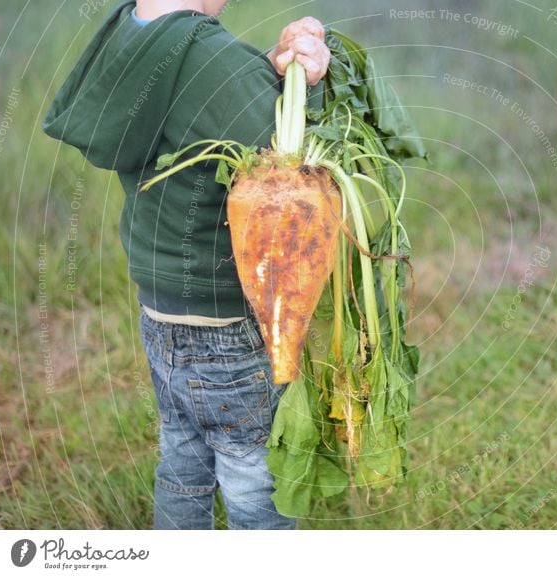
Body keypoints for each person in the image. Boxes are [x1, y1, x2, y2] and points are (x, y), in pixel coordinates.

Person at [42, 0, 331, 530]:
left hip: (163, 315)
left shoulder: (131, 36)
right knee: (253, 478)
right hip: (226, 320)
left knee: (182, 462)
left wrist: (261, 66)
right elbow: (284, 164)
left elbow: (200, 106)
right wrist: (307, 81)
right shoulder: (210, 59)